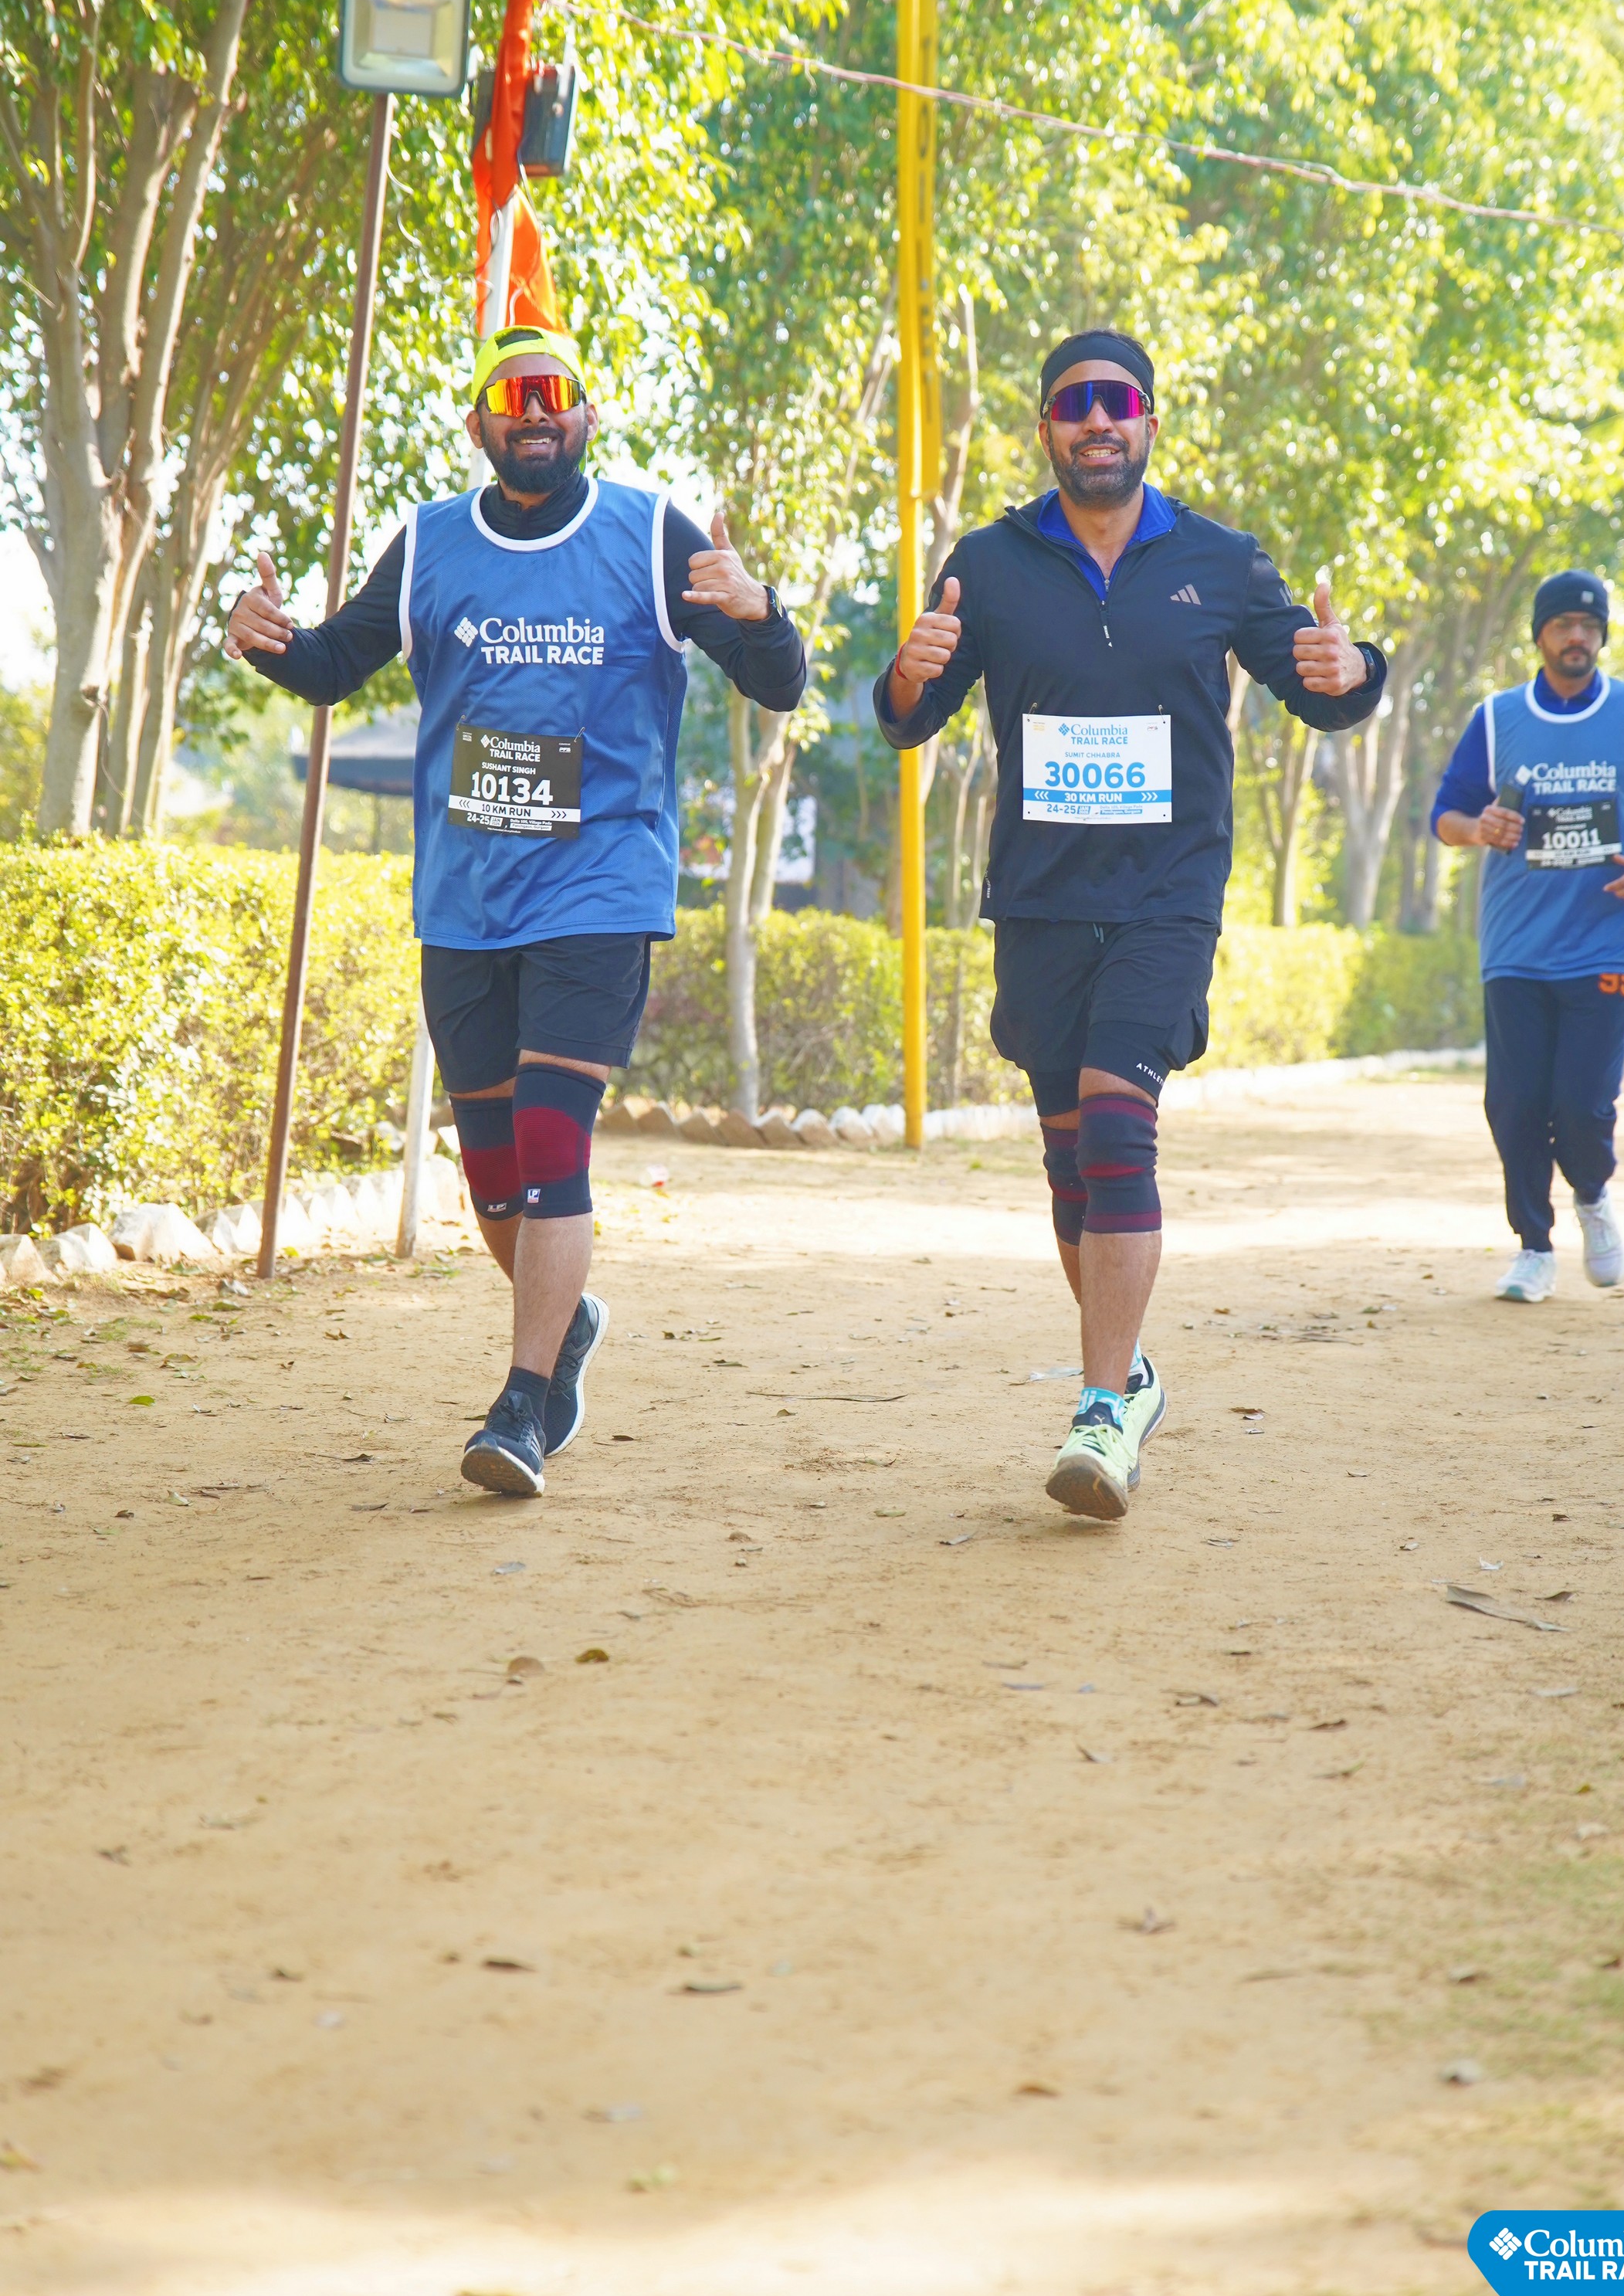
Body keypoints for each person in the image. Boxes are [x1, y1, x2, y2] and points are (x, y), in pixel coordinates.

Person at [225, 324, 805, 1494]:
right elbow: (333, 665)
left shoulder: (651, 532)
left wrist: (759, 611)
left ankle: (523, 1406)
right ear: (477, 424)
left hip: (599, 885)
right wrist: (266, 641)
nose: (534, 408)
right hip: (466, 900)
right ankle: (567, 1321)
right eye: (512, 393)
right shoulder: (429, 543)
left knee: (551, 1144)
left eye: (555, 391)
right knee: (492, 1174)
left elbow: (777, 684)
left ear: (588, 415)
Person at [873, 328, 1386, 1521]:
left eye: (1119, 401)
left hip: (1169, 893)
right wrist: (906, 672)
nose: (1097, 419)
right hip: (1042, 898)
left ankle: (1102, 1409)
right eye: (1075, 403)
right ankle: (1132, 1372)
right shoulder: (990, 563)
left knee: (1116, 1126)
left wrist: (1350, 667)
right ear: (1046, 429)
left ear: (1151, 421)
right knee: (1071, 1168)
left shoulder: (1220, 561)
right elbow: (910, 717)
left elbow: (1320, 691)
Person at [1431, 570, 1624, 1303]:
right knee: (1515, 1104)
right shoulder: (1498, 718)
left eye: (1589, 625)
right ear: (1540, 636)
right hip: (1516, 944)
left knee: (1582, 1105)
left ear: (1601, 635)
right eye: (1563, 625)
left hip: (1610, 939)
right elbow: (1446, 815)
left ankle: (1592, 1194)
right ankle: (1534, 1248)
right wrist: (1478, 827)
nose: (1577, 637)